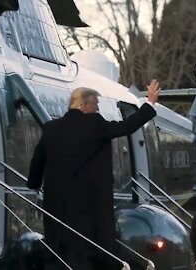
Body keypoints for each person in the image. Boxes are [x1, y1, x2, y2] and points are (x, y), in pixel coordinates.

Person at [27, 79, 160, 270]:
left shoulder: (51, 128)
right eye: (96, 106)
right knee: (89, 250)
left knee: (58, 251)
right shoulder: (95, 124)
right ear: (83, 105)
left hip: (57, 205)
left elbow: (37, 160)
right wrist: (150, 103)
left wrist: (34, 184)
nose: (98, 111)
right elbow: (127, 126)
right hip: (88, 207)